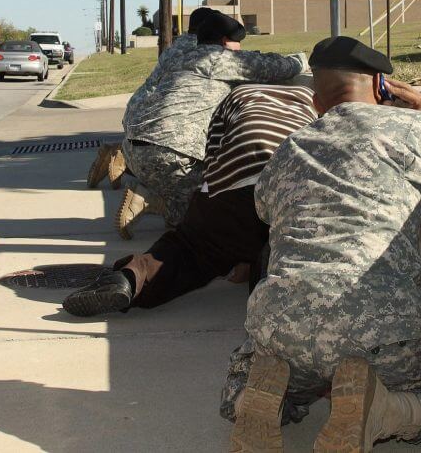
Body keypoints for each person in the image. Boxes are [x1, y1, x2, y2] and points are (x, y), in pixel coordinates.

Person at [221, 36, 421, 452]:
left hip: (284, 326)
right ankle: (382, 409)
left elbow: (267, 215)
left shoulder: (289, 150)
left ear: (315, 101)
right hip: (381, 330)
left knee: (242, 384)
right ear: (382, 86)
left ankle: (260, 400)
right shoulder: (417, 132)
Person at [63, 84, 318, 317]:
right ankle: (266, 277)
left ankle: (131, 277)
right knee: (281, 244)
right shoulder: (316, 104)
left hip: (236, 187)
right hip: (291, 193)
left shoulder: (237, 97)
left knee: (191, 249)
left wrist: (213, 226)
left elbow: (213, 159)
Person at [114, 10, 306, 238]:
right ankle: (149, 201)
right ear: (226, 42)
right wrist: (303, 59)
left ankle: (157, 194)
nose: (241, 49)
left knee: (193, 195)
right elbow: (277, 67)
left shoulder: (182, 56)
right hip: (171, 156)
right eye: (238, 43)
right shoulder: (220, 59)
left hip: (133, 149)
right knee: (207, 216)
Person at [87, 7, 216, 190]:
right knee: (200, 177)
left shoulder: (176, 46)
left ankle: (119, 152)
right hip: (161, 135)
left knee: (151, 157)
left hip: (135, 118)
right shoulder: (206, 52)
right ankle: (121, 156)